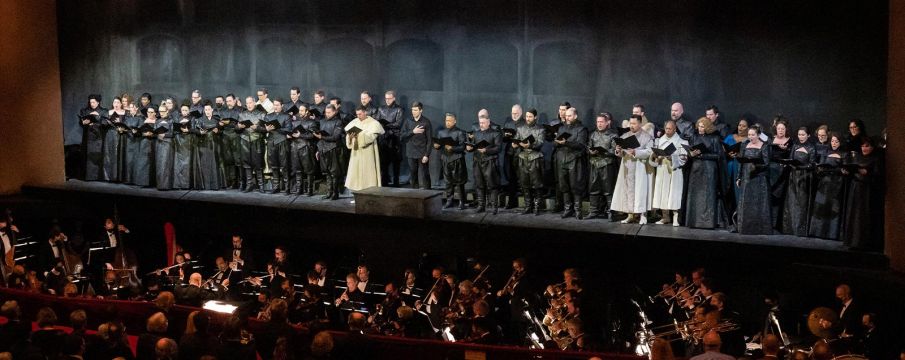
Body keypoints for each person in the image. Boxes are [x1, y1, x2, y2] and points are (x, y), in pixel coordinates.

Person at [685, 117, 728, 229]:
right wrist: (692, 154)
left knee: (708, 195)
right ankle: (694, 221)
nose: (700, 128)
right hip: (696, 168)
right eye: (699, 125)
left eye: (703, 126)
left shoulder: (714, 139)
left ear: (708, 127)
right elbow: (690, 152)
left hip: (709, 169)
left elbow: (718, 156)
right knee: (695, 194)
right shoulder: (694, 137)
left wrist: (703, 155)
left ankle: (707, 222)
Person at [842, 137, 884, 250]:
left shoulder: (876, 159)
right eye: (862, 146)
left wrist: (866, 172)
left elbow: (878, 176)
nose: (864, 148)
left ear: (872, 147)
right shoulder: (858, 157)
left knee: (863, 215)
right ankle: (852, 241)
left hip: (867, 191)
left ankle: (864, 243)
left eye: (867, 146)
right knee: (853, 214)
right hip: (855, 188)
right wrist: (846, 172)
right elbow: (853, 172)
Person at [612, 115, 654, 224]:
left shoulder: (647, 136)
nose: (631, 126)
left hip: (640, 168)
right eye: (630, 123)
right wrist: (618, 150)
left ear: (640, 124)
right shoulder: (625, 135)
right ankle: (630, 214)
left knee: (641, 191)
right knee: (628, 191)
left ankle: (642, 215)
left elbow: (650, 152)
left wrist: (636, 152)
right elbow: (621, 153)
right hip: (627, 166)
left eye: (634, 123)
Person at [809, 132, 846, 240]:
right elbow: (820, 166)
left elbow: (844, 168)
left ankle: (832, 233)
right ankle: (818, 231)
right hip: (825, 182)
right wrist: (820, 169)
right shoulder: (826, 152)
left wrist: (840, 170)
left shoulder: (843, 154)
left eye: (837, 141)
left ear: (840, 142)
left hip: (837, 183)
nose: (834, 143)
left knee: (833, 207)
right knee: (821, 207)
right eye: (833, 141)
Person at [554, 107, 589, 219]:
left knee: (575, 185)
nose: (567, 117)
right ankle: (567, 209)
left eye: (569, 116)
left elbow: (581, 145)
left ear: (575, 116)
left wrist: (567, 142)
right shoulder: (561, 128)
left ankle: (578, 210)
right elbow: (555, 144)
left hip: (574, 160)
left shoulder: (581, 129)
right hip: (562, 159)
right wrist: (557, 142)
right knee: (564, 186)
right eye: (566, 115)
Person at [736, 127, 773, 235]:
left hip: (758, 178)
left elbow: (766, 163)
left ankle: (759, 228)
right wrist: (738, 177)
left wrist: (756, 166)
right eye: (749, 134)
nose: (750, 137)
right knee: (746, 202)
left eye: (753, 135)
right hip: (747, 178)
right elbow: (741, 163)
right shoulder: (744, 145)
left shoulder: (764, 146)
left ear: (758, 135)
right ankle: (746, 227)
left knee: (758, 203)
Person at [652, 120, 688, 226]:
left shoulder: (682, 141)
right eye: (666, 128)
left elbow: (684, 158)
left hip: (674, 171)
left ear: (675, 129)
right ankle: (665, 217)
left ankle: (676, 217)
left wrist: (672, 157)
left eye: (670, 129)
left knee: (673, 194)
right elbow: (654, 155)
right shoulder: (659, 141)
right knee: (662, 193)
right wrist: (657, 156)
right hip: (662, 168)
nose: (667, 131)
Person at [781, 127, 815, 236]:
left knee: (801, 203)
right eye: (799, 135)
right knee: (792, 201)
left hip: (804, 177)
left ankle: (800, 229)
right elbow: (791, 159)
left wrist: (801, 167)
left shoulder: (811, 148)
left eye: (803, 135)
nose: (801, 137)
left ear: (808, 135)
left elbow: (812, 164)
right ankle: (789, 228)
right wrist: (788, 163)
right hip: (793, 176)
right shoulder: (795, 146)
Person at [468, 110, 503, 214]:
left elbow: (498, 148)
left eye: (483, 123)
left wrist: (486, 150)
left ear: (488, 122)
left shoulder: (495, 133)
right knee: (479, 185)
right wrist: (469, 148)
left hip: (490, 162)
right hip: (478, 162)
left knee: (492, 185)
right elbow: (473, 147)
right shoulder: (476, 133)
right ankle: (481, 206)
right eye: (480, 123)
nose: (481, 125)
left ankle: (494, 207)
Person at [344, 106, 385, 192]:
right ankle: (356, 194)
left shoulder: (373, 123)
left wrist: (359, 135)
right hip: (356, 152)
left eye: (360, 114)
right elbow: (348, 135)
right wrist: (350, 137)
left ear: (365, 112)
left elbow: (372, 136)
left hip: (368, 151)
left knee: (367, 173)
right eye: (357, 114)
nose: (358, 116)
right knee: (356, 173)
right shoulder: (354, 122)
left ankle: (369, 193)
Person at [586, 112, 618, 219]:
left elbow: (615, 150)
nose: (599, 124)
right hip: (594, 164)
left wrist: (604, 151)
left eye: (601, 122)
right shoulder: (593, 134)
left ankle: (610, 212)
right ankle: (593, 211)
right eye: (598, 122)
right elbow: (588, 147)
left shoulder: (613, 135)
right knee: (593, 188)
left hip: (607, 164)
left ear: (607, 123)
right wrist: (591, 152)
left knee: (608, 190)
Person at [514, 109, 546, 215]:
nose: (528, 118)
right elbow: (516, 140)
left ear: (535, 117)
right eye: (527, 116)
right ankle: (528, 206)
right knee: (525, 184)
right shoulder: (520, 128)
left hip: (535, 158)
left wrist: (530, 145)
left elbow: (540, 143)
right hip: (523, 158)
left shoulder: (540, 129)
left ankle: (537, 207)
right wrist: (515, 144)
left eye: (530, 116)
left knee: (537, 184)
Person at [436, 113, 469, 209]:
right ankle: (449, 201)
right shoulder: (441, 132)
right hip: (446, 159)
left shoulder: (460, 132)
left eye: (450, 120)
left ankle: (461, 202)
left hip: (457, 159)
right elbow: (439, 145)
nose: (448, 122)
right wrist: (437, 146)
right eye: (446, 120)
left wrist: (453, 148)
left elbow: (463, 147)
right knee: (448, 182)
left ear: (455, 121)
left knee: (459, 182)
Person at [289, 104, 321, 196]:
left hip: (306, 148)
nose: (300, 112)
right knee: (297, 169)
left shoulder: (311, 122)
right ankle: (299, 189)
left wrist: (300, 135)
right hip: (295, 147)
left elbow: (312, 136)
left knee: (309, 170)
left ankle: (309, 190)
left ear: (307, 111)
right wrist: (289, 135)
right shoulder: (295, 122)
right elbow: (291, 133)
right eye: (300, 110)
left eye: (302, 110)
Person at [400, 101, 432, 189]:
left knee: (425, 174)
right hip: (411, 151)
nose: (413, 112)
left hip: (422, 152)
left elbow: (429, 140)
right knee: (413, 173)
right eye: (412, 110)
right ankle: (415, 194)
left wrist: (426, 155)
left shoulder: (426, 122)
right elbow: (402, 135)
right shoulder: (408, 120)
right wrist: (413, 132)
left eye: (415, 110)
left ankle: (428, 193)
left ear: (421, 110)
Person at [238, 96, 267, 192]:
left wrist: (257, 128)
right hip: (245, 140)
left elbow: (265, 130)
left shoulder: (261, 114)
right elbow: (236, 129)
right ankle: (249, 185)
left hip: (257, 141)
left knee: (258, 164)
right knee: (246, 164)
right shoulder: (242, 114)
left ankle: (261, 186)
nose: (249, 105)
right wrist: (239, 127)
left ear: (254, 103)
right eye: (247, 103)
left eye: (250, 103)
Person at [316, 105, 344, 199]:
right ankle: (329, 192)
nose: (327, 114)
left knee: (334, 173)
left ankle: (335, 193)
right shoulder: (322, 121)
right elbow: (320, 138)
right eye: (326, 112)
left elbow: (335, 137)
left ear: (334, 112)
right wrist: (318, 150)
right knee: (327, 172)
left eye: (329, 112)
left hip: (333, 149)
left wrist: (322, 137)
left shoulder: (338, 122)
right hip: (323, 149)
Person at [191, 102, 223, 190]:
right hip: (203, 144)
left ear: (212, 110)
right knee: (205, 164)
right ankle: (205, 185)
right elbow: (195, 130)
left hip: (214, 144)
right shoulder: (200, 119)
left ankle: (215, 185)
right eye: (206, 110)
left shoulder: (216, 119)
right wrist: (200, 132)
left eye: (209, 109)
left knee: (214, 164)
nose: (207, 111)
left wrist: (218, 131)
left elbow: (221, 132)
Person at [264, 99, 292, 194]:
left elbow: (288, 129)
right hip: (271, 142)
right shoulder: (268, 116)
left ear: (282, 105)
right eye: (274, 105)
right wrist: (266, 129)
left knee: (284, 166)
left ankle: (287, 188)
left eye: (277, 105)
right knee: (274, 166)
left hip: (282, 142)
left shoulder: (286, 116)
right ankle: (276, 187)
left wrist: (277, 127)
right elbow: (262, 128)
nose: (275, 107)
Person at [378, 90, 404, 187]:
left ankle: (396, 184)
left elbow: (398, 124)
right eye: (386, 98)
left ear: (394, 98)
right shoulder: (381, 108)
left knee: (396, 163)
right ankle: (384, 184)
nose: (387, 100)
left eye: (389, 98)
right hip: (383, 139)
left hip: (394, 139)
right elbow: (377, 121)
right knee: (384, 164)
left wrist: (386, 125)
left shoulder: (399, 109)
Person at [501, 104, 525, 209]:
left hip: (521, 154)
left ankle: (527, 204)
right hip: (510, 154)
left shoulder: (525, 123)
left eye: (516, 113)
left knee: (523, 179)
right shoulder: (508, 123)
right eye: (512, 113)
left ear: (521, 113)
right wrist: (505, 136)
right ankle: (512, 202)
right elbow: (503, 139)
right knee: (511, 179)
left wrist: (518, 143)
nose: (514, 115)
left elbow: (528, 139)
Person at [80, 94, 108, 181]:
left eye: (93, 102)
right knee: (87, 156)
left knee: (97, 155)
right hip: (88, 137)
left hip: (98, 136)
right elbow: (81, 121)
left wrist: (97, 117)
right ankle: (88, 177)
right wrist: (84, 122)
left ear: (98, 102)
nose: (92, 104)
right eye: (90, 102)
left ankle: (98, 177)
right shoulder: (85, 110)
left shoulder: (103, 111)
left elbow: (105, 123)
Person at [218, 94, 243, 189]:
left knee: (238, 159)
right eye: (227, 101)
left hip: (236, 135)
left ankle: (241, 182)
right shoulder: (223, 111)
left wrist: (231, 123)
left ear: (234, 101)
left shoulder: (239, 110)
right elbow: (220, 125)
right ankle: (232, 181)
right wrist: (220, 124)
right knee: (228, 160)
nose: (228, 103)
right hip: (225, 136)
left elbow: (240, 124)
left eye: (230, 101)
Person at [724, 118, 749, 205]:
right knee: (727, 191)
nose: (740, 128)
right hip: (729, 166)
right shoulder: (730, 137)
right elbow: (722, 150)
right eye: (739, 125)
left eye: (744, 126)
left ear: (748, 128)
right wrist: (728, 154)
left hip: (740, 167)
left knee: (738, 192)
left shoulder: (749, 140)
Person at [103, 97, 128, 182]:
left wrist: (121, 125)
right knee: (110, 154)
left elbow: (127, 124)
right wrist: (107, 122)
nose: (116, 104)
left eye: (118, 102)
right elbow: (103, 123)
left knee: (119, 155)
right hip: (110, 134)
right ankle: (110, 177)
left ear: (121, 104)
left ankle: (120, 177)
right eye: (114, 102)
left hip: (121, 135)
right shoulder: (109, 112)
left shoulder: (125, 112)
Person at [172, 104, 195, 190]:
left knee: (187, 163)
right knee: (178, 163)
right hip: (179, 140)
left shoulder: (192, 118)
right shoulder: (177, 118)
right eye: (183, 110)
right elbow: (174, 129)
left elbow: (193, 128)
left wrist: (188, 130)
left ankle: (186, 184)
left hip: (188, 141)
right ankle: (178, 184)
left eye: (186, 110)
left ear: (189, 111)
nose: (184, 112)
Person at [154, 105, 176, 190]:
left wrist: (164, 135)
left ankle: (167, 185)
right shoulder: (157, 121)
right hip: (159, 144)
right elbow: (155, 132)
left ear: (167, 111)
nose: (161, 113)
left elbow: (172, 133)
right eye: (160, 111)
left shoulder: (171, 121)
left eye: (163, 111)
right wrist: (157, 135)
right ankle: (160, 185)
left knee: (166, 164)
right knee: (159, 164)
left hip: (167, 144)